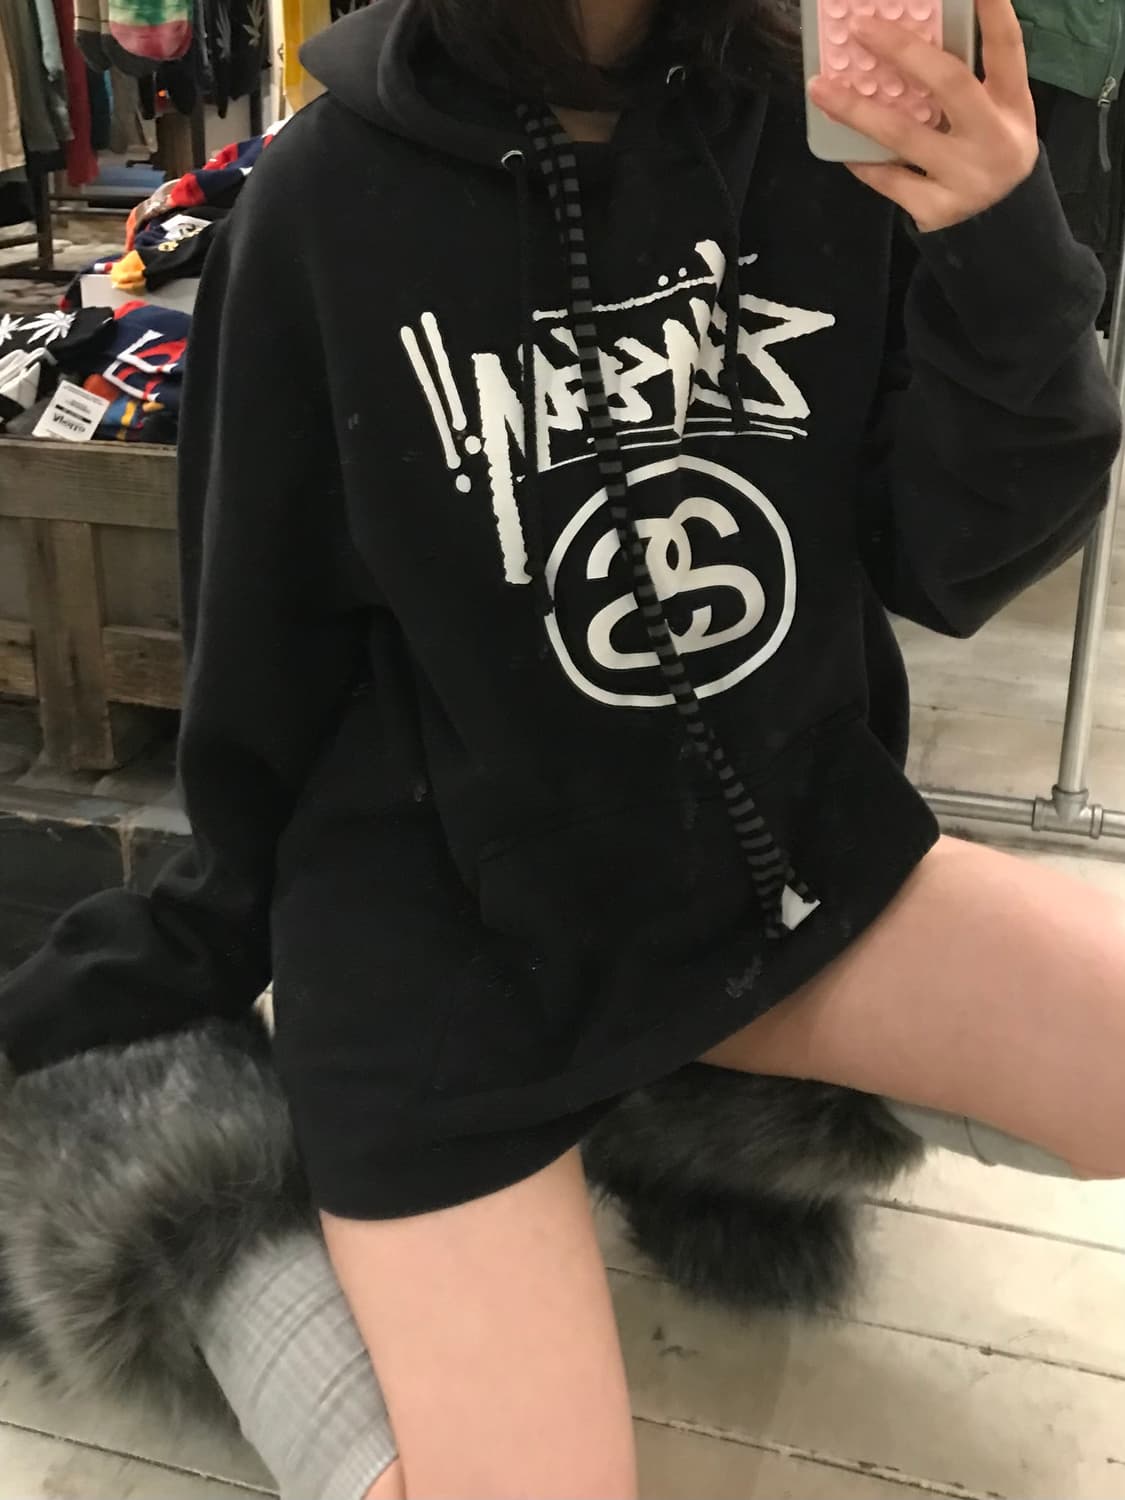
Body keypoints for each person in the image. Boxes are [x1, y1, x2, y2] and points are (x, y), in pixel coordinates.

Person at [1, 0, 1123, 1492]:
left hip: (764, 867)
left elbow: (953, 561)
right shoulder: (332, 196)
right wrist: (192, 960)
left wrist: (1003, 246)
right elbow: (261, 647)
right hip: (444, 939)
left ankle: (653, 1086)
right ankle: (191, 1214)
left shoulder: (824, 148)